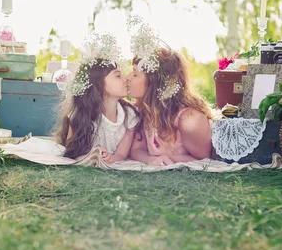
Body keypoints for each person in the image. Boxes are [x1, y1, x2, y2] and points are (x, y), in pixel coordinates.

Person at [55, 34, 139, 163]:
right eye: (118, 76)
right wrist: (92, 154)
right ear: (96, 87)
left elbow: (122, 154)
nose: (126, 79)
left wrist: (112, 158)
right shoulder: (80, 115)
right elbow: (72, 151)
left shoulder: (130, 115)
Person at [126, 47, 213, 164]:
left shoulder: (189, 120)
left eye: (135, 74)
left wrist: (167, 155)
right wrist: (152, 160)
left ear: (154, 83)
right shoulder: (145, 109)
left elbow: (205, 161)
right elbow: (137, 149)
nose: (127, 77)